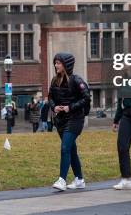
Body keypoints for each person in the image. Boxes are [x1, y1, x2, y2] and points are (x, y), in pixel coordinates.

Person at [49, 52, 91, 191]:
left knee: (65, 148)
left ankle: (62, 180)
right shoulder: (54, 80)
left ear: (66, 64)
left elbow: (86, 97)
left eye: (58, 63)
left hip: (75, 119)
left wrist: (70, 107)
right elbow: (50, 97)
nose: (56, 65)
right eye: (55, 63)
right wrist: (54, 106)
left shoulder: (76, 80)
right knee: (71, 150)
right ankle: (79, 179)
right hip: (60, 120)